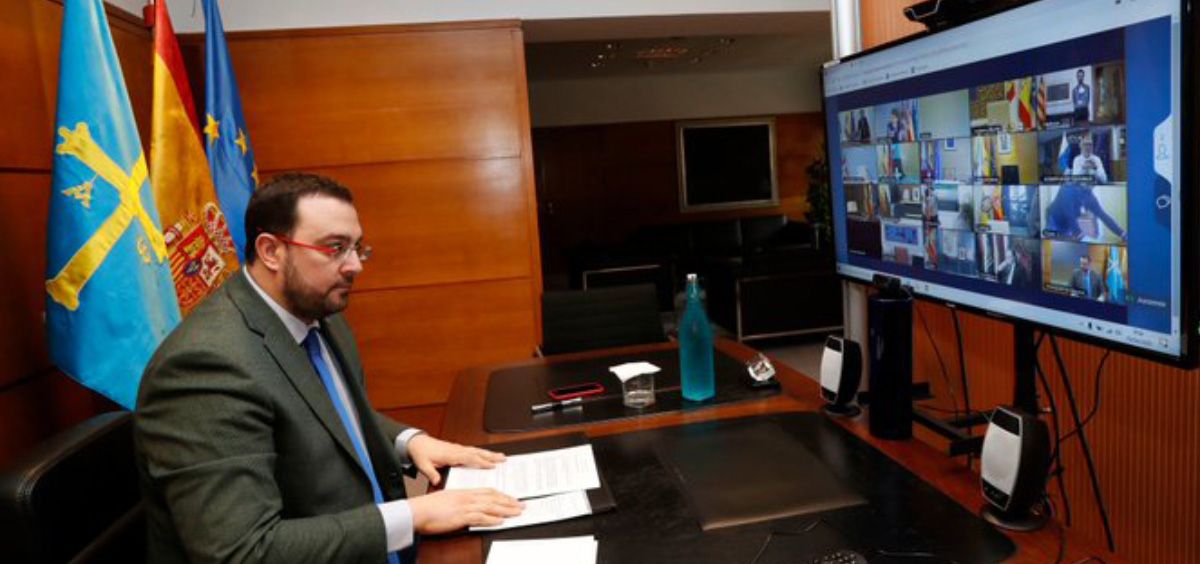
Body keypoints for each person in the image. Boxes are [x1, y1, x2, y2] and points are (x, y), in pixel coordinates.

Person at [134, 173, 524, 563]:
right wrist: (414, 514)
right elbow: (244, 552)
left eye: (357, 248)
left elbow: (324, 415)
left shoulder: (317, 312)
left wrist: (409, 441)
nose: (354, 266)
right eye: (335, 248)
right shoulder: (205, 366)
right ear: (271, 251)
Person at [1044, 184, 1126, 241]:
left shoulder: (1090, 196)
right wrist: (1079, 233)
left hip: (1067, 224)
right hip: (1054, 219)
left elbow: (1103, 215)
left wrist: (1121, 233)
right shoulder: (1067, 188)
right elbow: (1069, 214)